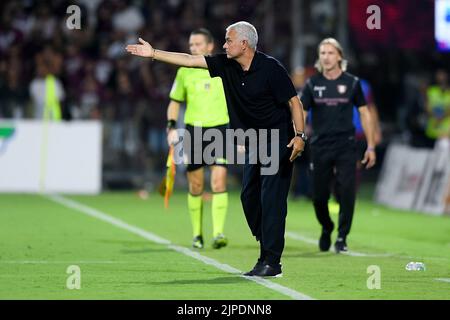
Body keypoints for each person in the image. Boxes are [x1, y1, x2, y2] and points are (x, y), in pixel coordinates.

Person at [126, 21, 306, 277]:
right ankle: (267, 247)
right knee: (248, 197)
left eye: (228, 40)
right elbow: (189, 60)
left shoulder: (271, 68)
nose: (224, 44)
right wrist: (154, 54)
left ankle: (271, 261)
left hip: (277, 139)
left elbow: (294, 102)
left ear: (244, 44)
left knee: (271, 199)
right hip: (253, 141)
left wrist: (300, 136)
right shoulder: (226, 65)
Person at [300, 38, 376, 254]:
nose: (326, 57)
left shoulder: (352, 83)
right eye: (322, 53)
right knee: (319, 196)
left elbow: (364, 113)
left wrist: (370, 146)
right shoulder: (312, 84)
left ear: (340, 56)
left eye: (330, 53)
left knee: (346, 191)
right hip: (320, 146)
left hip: (346, 145)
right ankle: (326, 226)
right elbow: (302, 114)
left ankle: (342, 236)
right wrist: (298, 136)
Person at [166, 28, 230, 250]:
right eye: (191, 45)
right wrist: (171, 126)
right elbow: (175, 101)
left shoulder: (223, 68)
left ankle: (219, 232)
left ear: (210, 46)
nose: (193, 48)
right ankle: (197, 234)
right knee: (196, 185)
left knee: (219, 180)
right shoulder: (184, 71)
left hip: (221, 129)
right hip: (194, 131)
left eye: (197, 44)